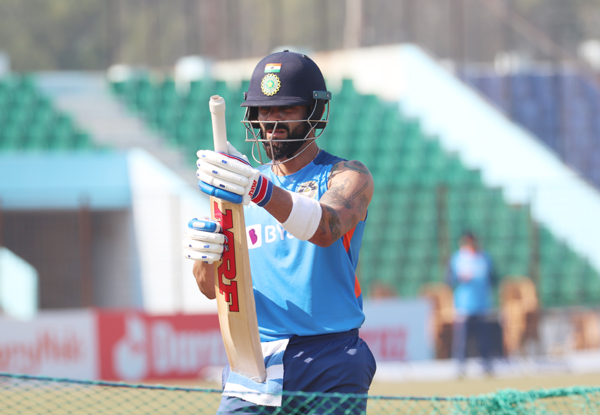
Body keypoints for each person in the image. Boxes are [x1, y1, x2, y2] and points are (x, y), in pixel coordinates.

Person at [183, 50, 376, 414]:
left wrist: (259, 189)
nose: (272, 122)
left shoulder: (347, 176)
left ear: (314, 112)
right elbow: (212, 289)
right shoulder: (239, 192)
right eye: (265, 111)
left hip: (330, 356)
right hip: (254, 361)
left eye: (286, 109)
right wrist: (202, 257)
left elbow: (325, 226)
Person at [446, 231, 497, 377]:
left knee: (484, 340)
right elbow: (448, 281)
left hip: (482, 306)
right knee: (462, 341)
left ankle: (487, 366)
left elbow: (493, 278)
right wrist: (460, 278)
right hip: (463, 307)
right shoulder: (457, 259)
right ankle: (460, 368)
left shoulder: (485, 258)